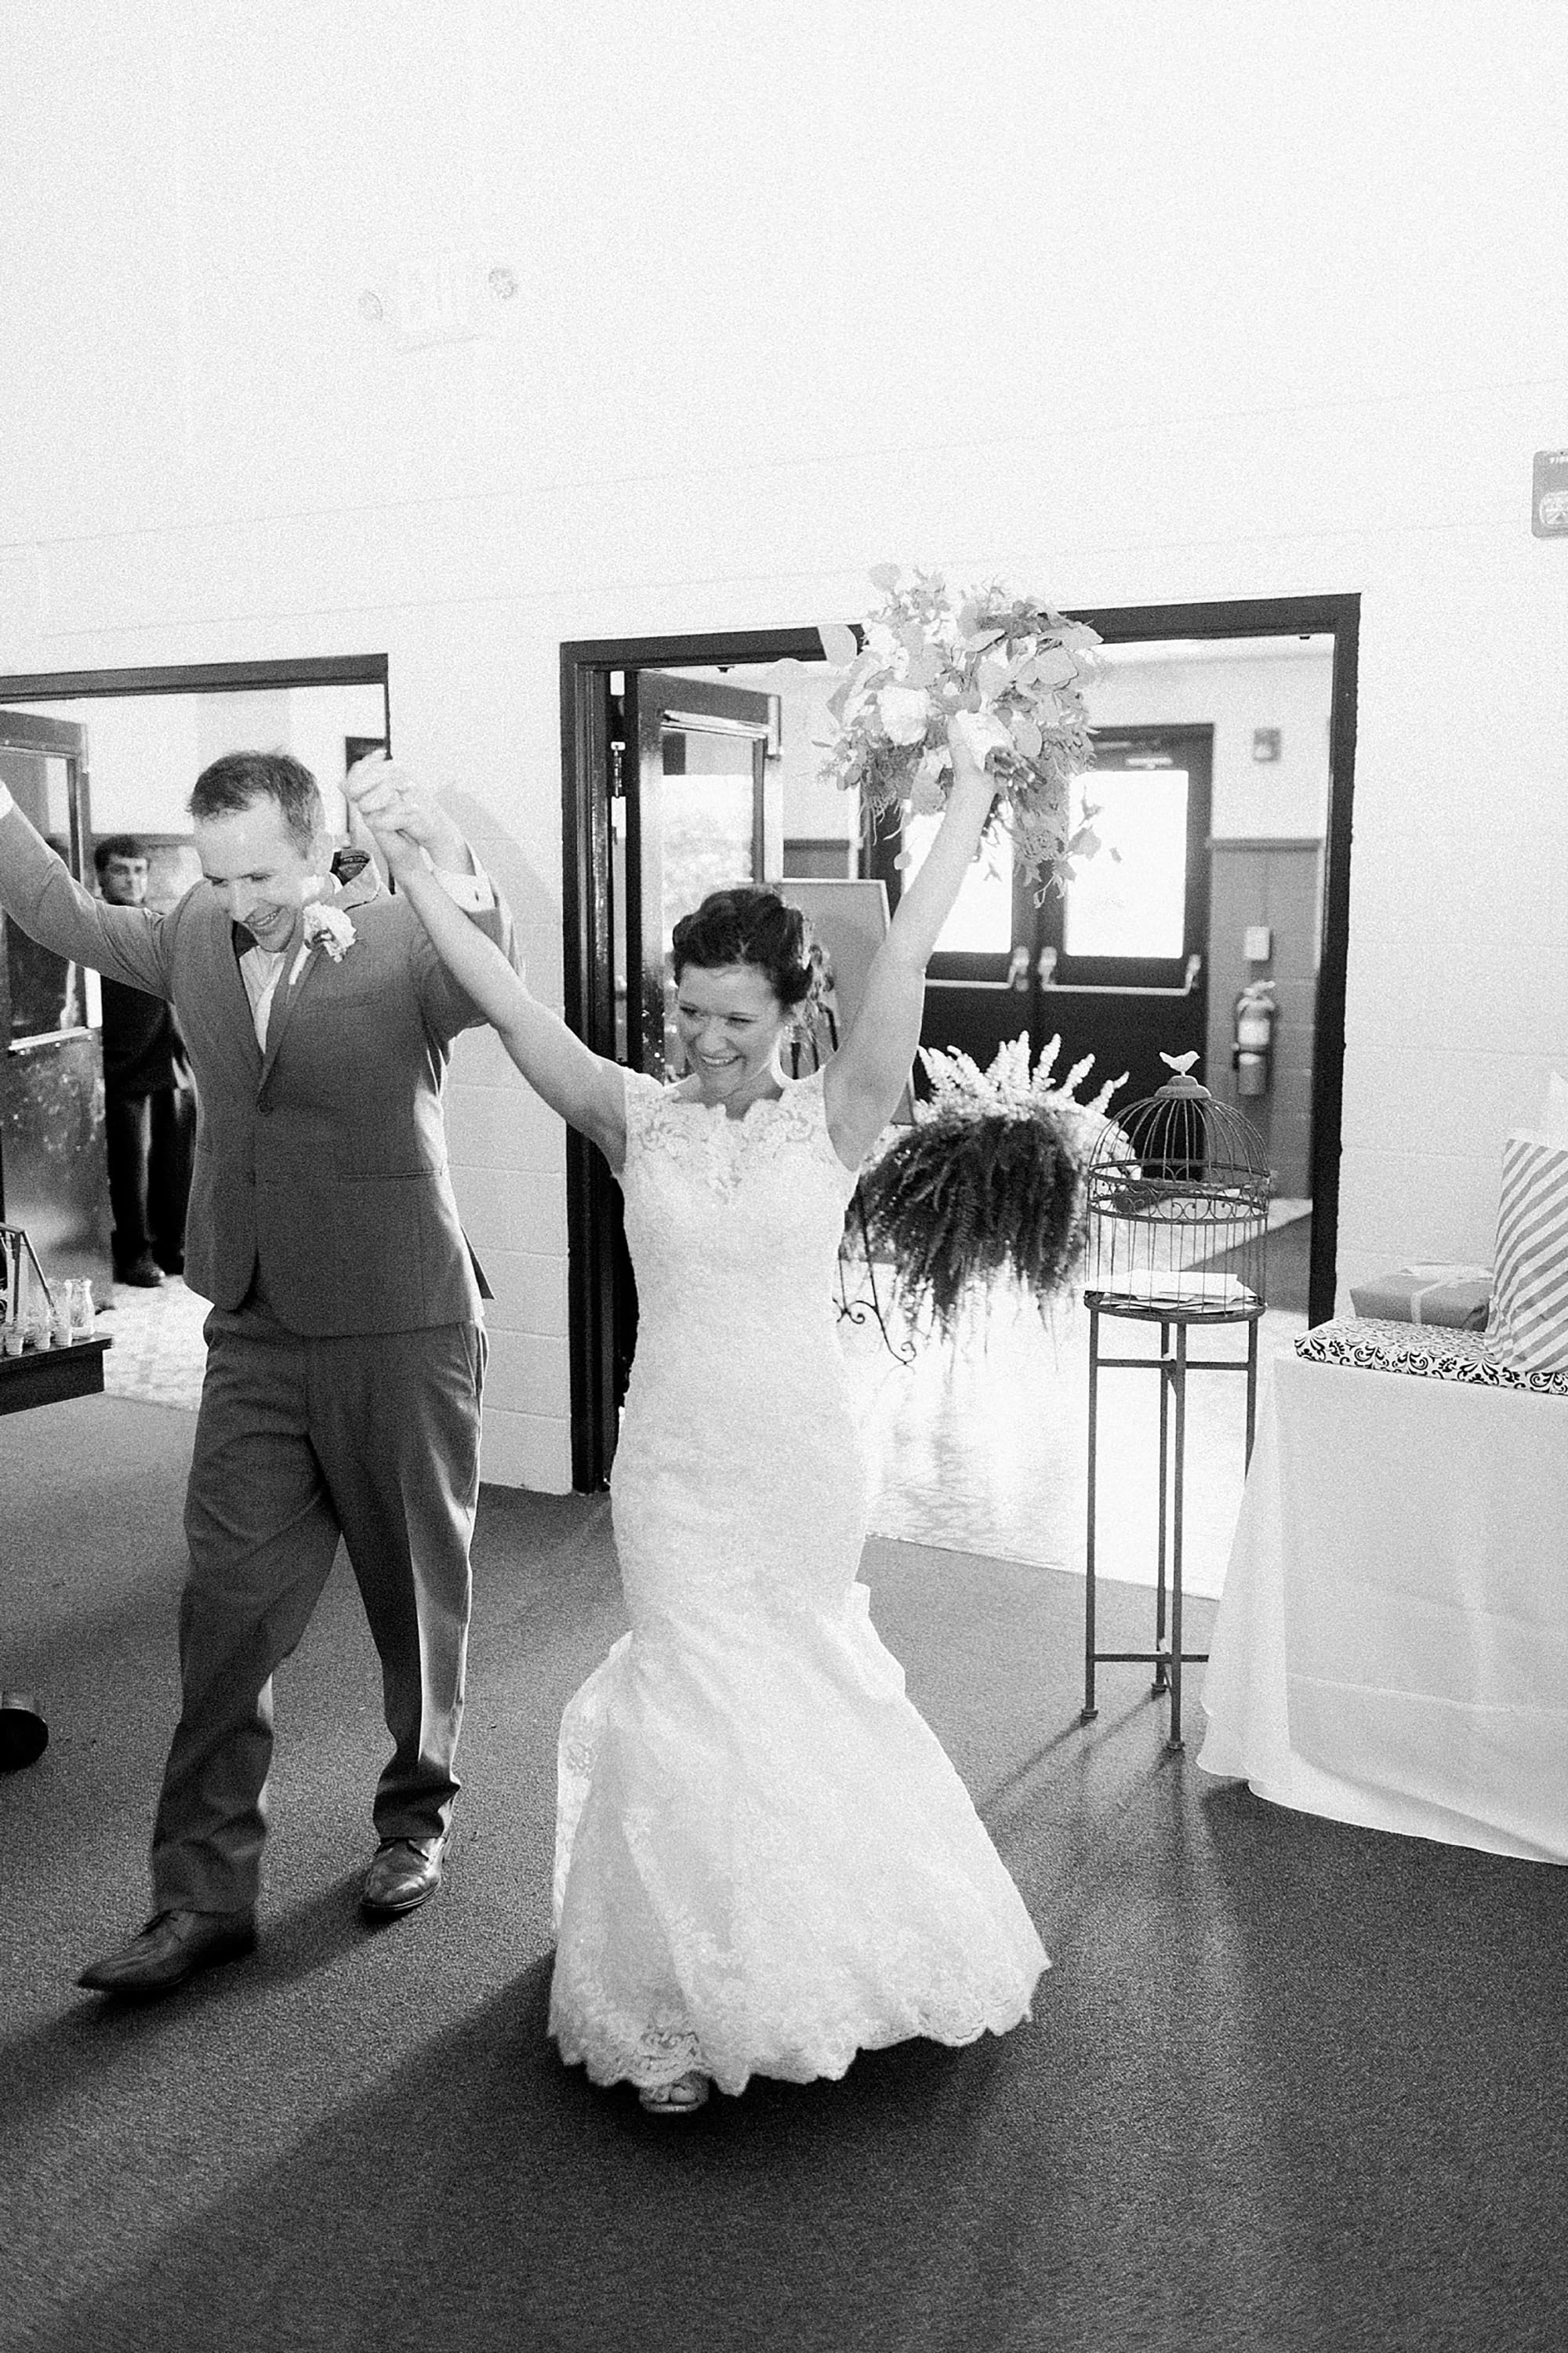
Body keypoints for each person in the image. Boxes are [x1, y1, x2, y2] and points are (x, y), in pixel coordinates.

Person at [348, 714, 1047, 2116]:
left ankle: (817, 1953)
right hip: (670, 1460)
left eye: (738, 1020)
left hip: (794, 1455)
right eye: (689, 1014)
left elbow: (904, 948)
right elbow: (501, 1000)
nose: (708, 1042)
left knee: (789, 1679)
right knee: (686, 1693)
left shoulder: (840, 1115)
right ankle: (670, 1995)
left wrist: (971, 789)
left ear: (793, 1014)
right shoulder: (633, 1115)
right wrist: (407, 863)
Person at [0, 749, 519, 1997]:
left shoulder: (403, 939)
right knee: (225, 1614)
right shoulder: (190, 928)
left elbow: (489, 955)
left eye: (265, 873)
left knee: (415, 1595)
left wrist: (435, 844)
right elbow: (59, 910)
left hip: (402, 1321)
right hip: (253, 1327)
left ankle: (414, 1821)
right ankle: (200, 1897)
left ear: (314, 841)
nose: (243, 900)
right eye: (219, 874)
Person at [93, 834, 194, 1285]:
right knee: (130, 1163)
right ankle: (135, 1252)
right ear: (101, 876)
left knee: (178, 1158)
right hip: (123, 1060)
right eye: (121, 870)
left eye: (139, 870)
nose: (132, 880)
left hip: (171, 1056)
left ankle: (174, 1246)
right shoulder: (94, 923)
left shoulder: (160, 921)